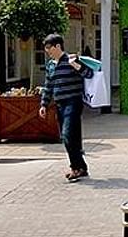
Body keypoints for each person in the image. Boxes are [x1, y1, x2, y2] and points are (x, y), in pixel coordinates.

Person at [39, 33, 94, 182]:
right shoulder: (51, 65)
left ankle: (76, 167)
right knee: (69, 137)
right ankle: (79, 167)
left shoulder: (72, 60)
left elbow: (89, 74)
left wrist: (75, 65)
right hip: (59, 104)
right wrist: (44, 104)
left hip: (73, 102)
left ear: (58, 46)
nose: (47, 51)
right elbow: (48, 86)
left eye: (49, 48)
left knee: (68, 135)